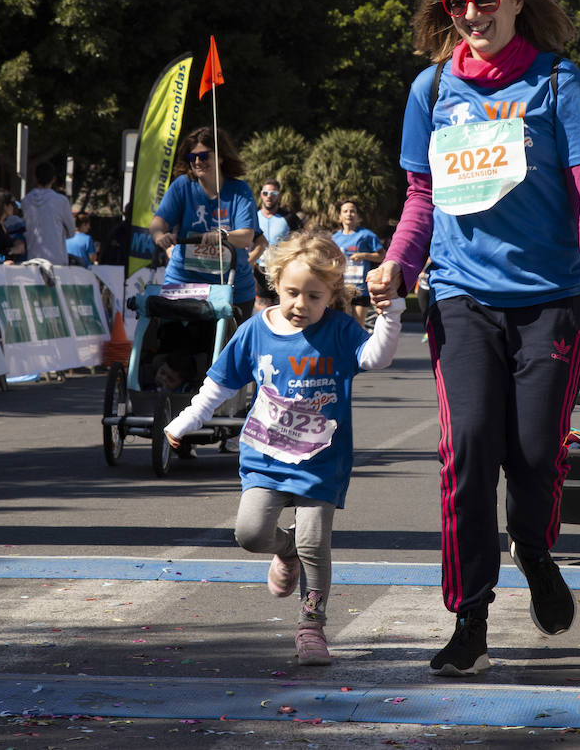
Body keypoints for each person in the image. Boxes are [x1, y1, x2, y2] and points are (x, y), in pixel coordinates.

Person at [366, 0, 580, 677]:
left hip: (550, 301)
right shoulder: (431, 90)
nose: (472, 13)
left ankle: (536, 549)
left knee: (536, 455)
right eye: (458, 3)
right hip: (462, 296)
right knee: (470, 449)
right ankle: (470, 613)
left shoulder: (556, 83)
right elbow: (422, 197)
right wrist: (399, 264)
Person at [163, 231, 404, 665]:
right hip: (266, 458)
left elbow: (375, 358)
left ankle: (312, 625)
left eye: (314, 296)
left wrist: (391, 314)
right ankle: (285, 549)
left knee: (316, 541)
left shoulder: (340, 330)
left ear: (332, 294)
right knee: (250, 533)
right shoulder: (256, 330)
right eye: (293, 293)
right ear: (276, 283)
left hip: (321, 461)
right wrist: (189, 418)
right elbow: (219, 382)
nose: (301, 304)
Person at [148, 126, 258, 321]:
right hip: (183, 285)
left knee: (225, 350)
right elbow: (158, 222)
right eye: (192, 158)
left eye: (204, 156)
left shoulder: (240, 190)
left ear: (221, 157)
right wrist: (159, 236)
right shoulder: (182, 186)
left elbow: (247, 236)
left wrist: (223, 236)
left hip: (232, 289)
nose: (198, 162)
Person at [331, 199, 383, 328]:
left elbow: (383, 256)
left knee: (357, 326)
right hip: (342, 289)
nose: (349, 214)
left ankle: (357, 348)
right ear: (340, 216)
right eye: (345, 211)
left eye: (352, 211)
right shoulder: (335, 238)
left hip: (360, 289)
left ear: (358, 216)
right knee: (342, 324)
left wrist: (363, 255)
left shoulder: (366, 235)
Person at [250, 179, 296, 310]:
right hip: (259, 271)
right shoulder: (254, 216)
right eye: (265, 193)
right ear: (261, 195)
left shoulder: (289, 217)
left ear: (279, 195)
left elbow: (301, 241)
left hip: (282, 270)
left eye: (273, 193)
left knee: (282, 309)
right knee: (262, 311)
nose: (269, 196)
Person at [21, 160, 75, 265]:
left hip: (33, 257)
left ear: (35, 178)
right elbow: (71, 231)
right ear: (53, 179)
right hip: (57, 259)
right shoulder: (61, 201)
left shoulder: (26, 201)